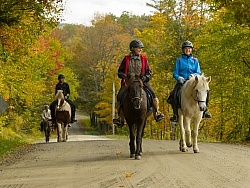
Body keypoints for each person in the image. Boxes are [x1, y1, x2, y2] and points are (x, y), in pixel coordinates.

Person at [113, 39, 164, 127]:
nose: (140, 50)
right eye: (138, 48)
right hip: (129, 82)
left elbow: (149, 72)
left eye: (141, 48)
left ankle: (157, 113)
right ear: (132, 49)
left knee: (153, 94)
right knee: (119, 95)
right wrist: (124, 76)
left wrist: (146, 77)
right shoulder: (126, 59)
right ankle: (120, 118)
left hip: (142, 81)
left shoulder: (144, 59)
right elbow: (120, 71)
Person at [167, 40, 212, 122]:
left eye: (189, 48)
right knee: (173, 94)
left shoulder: (195, 60)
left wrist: (193, 75)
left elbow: (198, 71)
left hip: (194, 82)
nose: (188, 50)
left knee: (206, 91)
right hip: (182, 82)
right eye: (186, 48)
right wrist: (179, 78)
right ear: (183, 50)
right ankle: (175, 114)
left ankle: (205, 111)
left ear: (191, 50)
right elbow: (175, 73)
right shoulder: (179, 60)